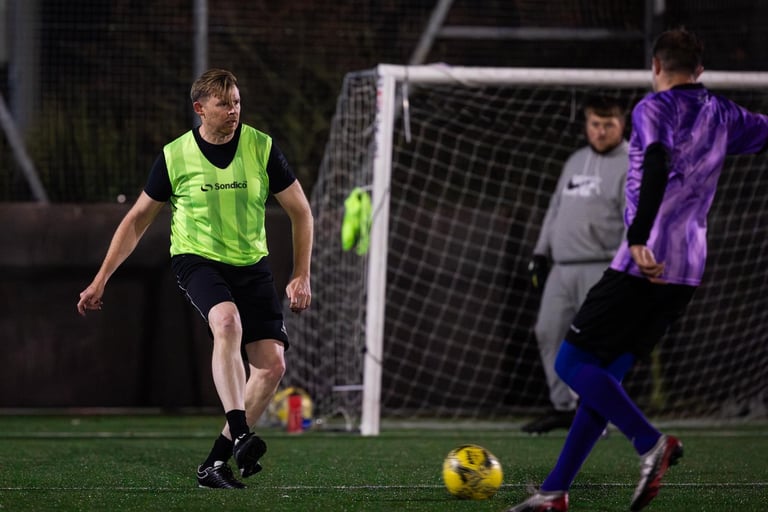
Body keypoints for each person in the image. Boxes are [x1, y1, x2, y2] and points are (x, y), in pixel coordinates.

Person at [507, 28, 768, 512]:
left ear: (656, 67)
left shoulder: (654, 109)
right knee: (601, 383)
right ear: (701, 71)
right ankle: (554, 492)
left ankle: (651, 444)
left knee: (570, 365)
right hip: (688, 270)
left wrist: (637, 236)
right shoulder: (724, 113)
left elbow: (655, 161)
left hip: (643, 262)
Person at [77, 69, 313, 490]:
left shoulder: (261, 147)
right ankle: (241, 432)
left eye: (237, 102)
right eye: (224, 104)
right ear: (200, 108)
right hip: (198, 260)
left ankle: (216, 463)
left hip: (251, 264)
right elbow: (136, 222)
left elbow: (301, 211)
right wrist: (101, 280)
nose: (234, 110)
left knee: (273, 366)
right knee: (227, 323)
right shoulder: (175, 156)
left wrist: (301, 274)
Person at [523, 95, 628, 434]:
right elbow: (555, 209)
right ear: (586, 125)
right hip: (562, 267)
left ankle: (598, 410)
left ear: (621, 125)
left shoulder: (631, 164)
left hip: (603, 268)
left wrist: (625, 269)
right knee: (548, 331)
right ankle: (564, 408)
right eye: (594, 125)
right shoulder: (574, 161)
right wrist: (540, 252)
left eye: (608, 125)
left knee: (596, 344)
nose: (600, 132)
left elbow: (635, 223)